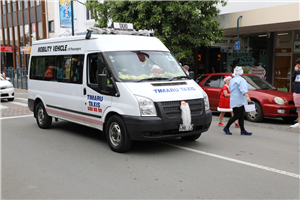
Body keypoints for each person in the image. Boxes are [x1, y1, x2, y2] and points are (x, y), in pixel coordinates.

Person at [223, 66, 252, 135]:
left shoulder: (232, 80)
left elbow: (230, 90)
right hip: (240, 100)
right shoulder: (241, 80)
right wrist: (247, 97)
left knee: (241, 115)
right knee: (237, 116)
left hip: (234, 99)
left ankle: (242, 130)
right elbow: (243, 90)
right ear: (241, 73)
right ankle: (226, 128)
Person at [290, 58, 300, 128]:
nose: (296, 66)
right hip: (297, 92)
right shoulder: (296, 71)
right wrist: (295, 72)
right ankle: (299, 122)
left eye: (298, 64)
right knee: (298, 108)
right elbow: (292, 79)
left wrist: (298, 71)